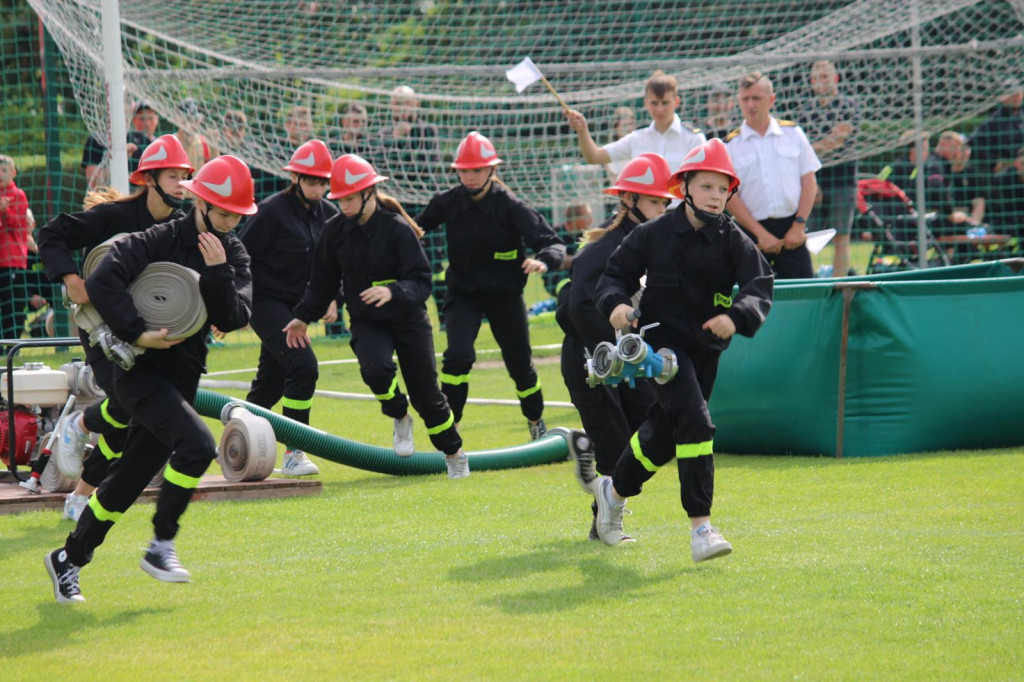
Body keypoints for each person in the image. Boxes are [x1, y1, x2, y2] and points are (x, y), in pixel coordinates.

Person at [44, 154, 256, 603]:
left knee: (128, 478)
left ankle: (68, 559)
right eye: (222, 212)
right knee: (199, 446)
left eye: (237, 215)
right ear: (199, 202)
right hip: (135, 372)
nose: (229, 223)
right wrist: (138, 331)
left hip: (182, 376)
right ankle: (162, 543)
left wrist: (217, 272)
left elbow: (234, 314)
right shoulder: (158, 236)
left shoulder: (232, 251)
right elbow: (103, 279)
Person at [592, 138, 774, 560]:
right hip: (660, 346)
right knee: (695, 421)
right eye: (707, 186)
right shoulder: (651, 234)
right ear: (685, 187)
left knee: (666, 435)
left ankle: (612, 493)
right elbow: (613, 276)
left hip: (707, 349)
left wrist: (738, 316)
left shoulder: (734, 239)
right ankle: (702, 530)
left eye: (722, 188)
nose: (716, 196)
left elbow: (759, 285)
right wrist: (617, 306)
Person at [37, 134, 194, 521]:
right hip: (100, 328)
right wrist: (71, 277)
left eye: (183, 176)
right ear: (149, 179)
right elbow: (50, 235)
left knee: (129, 419)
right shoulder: (115, 217)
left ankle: (80, 495)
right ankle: (79, 423)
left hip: (150, 332)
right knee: (128, 405)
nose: (180, 184)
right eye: (172, 176)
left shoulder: (183, 226)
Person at [283, 154, 468, 476]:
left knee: (428, 397)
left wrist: (393, 291)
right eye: (340, 199)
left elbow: (422, 281)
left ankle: (454, 454)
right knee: (375, 370)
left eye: (350, 198)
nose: (345, 205)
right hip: (367, 322)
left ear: (369, 193)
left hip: (409, 320)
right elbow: (322, 283)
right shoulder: (334, 231)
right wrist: (302, 317)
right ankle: (399, 414)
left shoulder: (397, 229)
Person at [415, 131, 565, 440]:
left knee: (520, 366)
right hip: (463, 296)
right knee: (457, 357)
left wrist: (543, 261)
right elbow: (414, 228)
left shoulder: (511, 206)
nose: (470, 176)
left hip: (505, 297)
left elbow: (551, 242)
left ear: (492, 170)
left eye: (477, 170)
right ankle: (448, 428)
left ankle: (535, 420)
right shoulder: (446, 202)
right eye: (464, 170)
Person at [558, 153, 673, 542]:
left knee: (651, 437)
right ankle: (604, 527)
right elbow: (576, 306)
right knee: (617, 448)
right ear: (629, 200)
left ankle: (589, 466)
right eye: (656, 201)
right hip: (593, 358)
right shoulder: (606, 245)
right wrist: (607, 353)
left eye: (665, 202)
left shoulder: (652, 241)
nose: (663, 208)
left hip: (630, 358)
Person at [239, 139, 339, 477]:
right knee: (304, 366)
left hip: (300, 307)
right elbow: (241, 258)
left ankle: (237, 437)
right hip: (266, 303)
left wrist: (332, 298)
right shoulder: (270, 211)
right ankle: (295, 451)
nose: (318, 188)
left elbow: (333, 265)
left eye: (324, 182)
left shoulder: (330, 215)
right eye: (311, 180)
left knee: (270, 383)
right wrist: (230, 305)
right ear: (295, 178)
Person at [725, 71, 821, 279]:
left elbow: (809, 181)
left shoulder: (793, 134)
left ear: (771, 99)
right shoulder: (731, 145)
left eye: (756, 98)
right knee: (749, 300)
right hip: (751, 234)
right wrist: (760, 234)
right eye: (745, 99)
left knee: (804, 295)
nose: (750, 105)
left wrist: (799, 225)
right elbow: (730, 195)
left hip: (792, 228)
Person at [565, 70, 706, 195]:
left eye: (665, 103)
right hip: (645, 220)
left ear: (676, 102)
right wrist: (582, 130)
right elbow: (594, 157)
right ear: (646, 103)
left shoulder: (694, 139)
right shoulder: (637, 138)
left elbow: (704, 183)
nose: (660, 109)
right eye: (654, 103)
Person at [800, 60, 861, 277]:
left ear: (835, 79)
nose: (820, 81)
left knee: (841, 236)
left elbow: (837, 139)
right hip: (814, 182)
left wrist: (813, 148)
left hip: (843, 180)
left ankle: (839, 284)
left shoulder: (848, 105)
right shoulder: (806, 111)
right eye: (816, 78)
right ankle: (812, 282)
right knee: (808, 237)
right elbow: (801, 148)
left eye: (825, 76)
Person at [80, 100, 159, 191]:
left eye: (150, 118)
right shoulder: (97, 140)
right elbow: (93, 184)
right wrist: (120, 158)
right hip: (107, 201)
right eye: (142, 118)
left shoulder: (142, 141)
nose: (147, 123)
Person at [377, 86, 441, 194]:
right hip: (394, 196)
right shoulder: (383, 134)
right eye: (398, 104)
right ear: (391, 106)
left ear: (416, 105)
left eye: (407, 103)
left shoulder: (428, 130)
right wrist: (395, 138)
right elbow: (382, 168)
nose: (403, 108)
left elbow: (429, 168)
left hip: (423, 195)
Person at [0, 154, 32, 346]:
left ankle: (12, 346)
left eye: (4, 170)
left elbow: (20, 226)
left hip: (12, 260)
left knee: (13, 305)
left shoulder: (18, 195)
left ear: (13, 173)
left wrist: (5, 211)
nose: (0, 174)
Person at [219, 109, 280, 202]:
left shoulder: (252, 152)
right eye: (232, 132)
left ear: (244, 131)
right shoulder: (217, 148)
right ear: (224, 130)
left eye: (239, 130)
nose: (236, 135)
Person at [968, 76, 1024, 177]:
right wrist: (994, 161)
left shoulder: (1021, 115)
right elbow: (973, 141)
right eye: (1012, 94)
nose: (1016, 97)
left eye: (1018, 93)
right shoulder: (994, 120)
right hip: (1008, 174)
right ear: (1002, 97)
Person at [541, 203, 593, 297]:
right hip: (556, 280)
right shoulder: (555, 234)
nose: (591, 220)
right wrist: (585, 259)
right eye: (587, 216)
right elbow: (558, 262)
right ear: (575, 219)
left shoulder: (587, 235)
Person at [175, 97, 218, 172]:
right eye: (185, 119)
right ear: (177, 119)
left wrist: (214, 147)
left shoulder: (205, 143)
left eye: (194, 120)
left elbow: (217, 171)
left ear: (200, 120)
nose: (189, 124)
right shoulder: (169, 142)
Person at [606, 106, 638, 176]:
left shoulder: (640, 146)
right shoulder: (610, 150)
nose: (629, 128)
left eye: (631, 124)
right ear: (616, 128)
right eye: (625, 125)